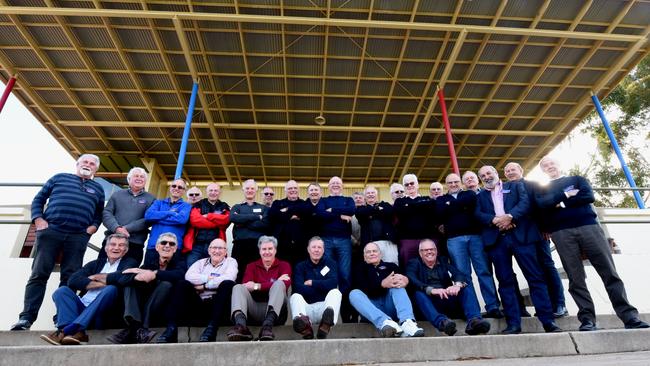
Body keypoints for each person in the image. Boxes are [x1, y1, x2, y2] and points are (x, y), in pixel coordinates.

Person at [536, 155, 649, 331]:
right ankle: (587, 319)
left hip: (589, 227)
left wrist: (559, 204)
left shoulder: (578, 179)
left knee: (609, 273)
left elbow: (588, 197)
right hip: (561, 233)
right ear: (542, 170)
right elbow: (543, 205)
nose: (550, 166)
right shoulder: (542, 189)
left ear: (559, 163)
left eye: (552, 162)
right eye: (545, 165)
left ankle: (629, 317)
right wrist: (566, 195)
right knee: (576, 278)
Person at [12, 154, 105, 331]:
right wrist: (38, 219)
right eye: (85, 162)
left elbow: (99, 213)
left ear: (96, 169)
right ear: (77, 164)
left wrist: (92, 228)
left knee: (70, 278)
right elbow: (39, 199)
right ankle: (26, 319)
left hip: (78, 236)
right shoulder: (59, 178)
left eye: (92, 163)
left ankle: (62, 319)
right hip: (51, 231)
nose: (88, 165)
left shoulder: (98, 189)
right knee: (39, 274)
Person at [475, 165, 561, 334]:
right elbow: (477, 214)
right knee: (506, 283)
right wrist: (495, 220)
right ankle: (514, 324)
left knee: (535, 278)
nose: (486, 176)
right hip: (497, 241)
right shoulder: (479, 196)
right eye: (482, 175)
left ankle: (548, 321)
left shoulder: (514, 186)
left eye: (489, 173)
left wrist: (510, 216)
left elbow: (525, 203)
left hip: (522, 237)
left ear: (496, 173)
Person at [40, 233, 136, 345]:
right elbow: (73, 280)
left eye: (121, 245)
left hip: (102, 314)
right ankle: (78, 333)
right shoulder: (95, 264)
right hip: (82, 308)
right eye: (113, 244)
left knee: (111, 289)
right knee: (61, 291)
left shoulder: (130, 263)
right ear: (106, 248)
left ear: (125, 249)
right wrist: (106, 280)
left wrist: (94, 277)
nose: (116, 248)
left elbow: (122, 280)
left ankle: (65, 331)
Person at [504, 161, 567, 318]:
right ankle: (543, 307)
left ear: (521, 170)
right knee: (532, 272)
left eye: (513, 169)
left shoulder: (533, 185)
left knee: (547, 266)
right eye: (507, 171)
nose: (510, 172)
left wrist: (546, 228)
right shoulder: (504, 189)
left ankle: (559, 304)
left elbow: (544, 206)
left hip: (539, 233)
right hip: (518, 236)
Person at [437, 173, 501, 319]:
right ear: (446, 184)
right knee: (463, 276)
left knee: (483, 271)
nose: (453, 184)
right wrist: (459, 207)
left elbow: (471, 207)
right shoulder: (441, 199)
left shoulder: (470, 194)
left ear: (460, 183)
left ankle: (492, 306)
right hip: (454, 240)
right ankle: (472, 311)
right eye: (450, 182)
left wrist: (452, 207)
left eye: (456, 182)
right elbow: (440, 213)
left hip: (475, 237)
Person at [107, 233, 186, 344]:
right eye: (163, 243)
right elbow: (122, 278)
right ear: (157, 247)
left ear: (175, 249)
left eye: (171, 244)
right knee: (131, 283)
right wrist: (135, 276)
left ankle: (136, 329)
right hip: (143, 307)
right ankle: (136, 327)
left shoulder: (180, 262)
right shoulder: (149, 263)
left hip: (164, 309)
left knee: (166, 284)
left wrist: (155, 274)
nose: (167, 246)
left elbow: (180, 275)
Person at [158, 238, 237, 343]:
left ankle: (211, 329)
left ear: (226, 251)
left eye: (220, 248)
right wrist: (209, 279)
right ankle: (171, 329)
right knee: (182, 284)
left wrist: (204, 286)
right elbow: (189, 276)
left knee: (227, 284)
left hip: (219, 306)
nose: (217, 251)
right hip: (199, 304)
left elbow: (229, 277)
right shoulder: (200, 263)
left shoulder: (231, 262)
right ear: (209, 250)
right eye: (214, 248)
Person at [406, 239, 491, 336]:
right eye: (426, 250)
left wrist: (457, 285)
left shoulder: (442, 261)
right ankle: (442, 323)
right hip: (429, 304)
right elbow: (411, 279)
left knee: (465, 288)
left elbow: (458, 274)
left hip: (446, 299)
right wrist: (431, 290)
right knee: (418, 294)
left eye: (432, 249)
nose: (429, 252)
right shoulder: (414, 263)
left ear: (436, 251)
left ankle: (474, 321)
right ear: (420, 253)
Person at [349, 242, 424, 337]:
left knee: (397, 287)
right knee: (354, 293)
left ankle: (407, 322)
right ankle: (385, 322)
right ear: (364, 256)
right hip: (372, 309)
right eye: (368, 252)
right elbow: (362, 289)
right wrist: (382, 284)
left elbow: (409, 290)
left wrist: (406, 281)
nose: (372, 253)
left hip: (390, 307)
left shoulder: (391, 266)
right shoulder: (359, 269)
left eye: (374, 251)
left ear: (380, 254)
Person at [227, 236, 291, 341]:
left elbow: (285, 284)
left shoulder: (284, 265)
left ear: (275, 250)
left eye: (270, 249)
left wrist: (257, 286)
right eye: (264, 249)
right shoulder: (251, 266)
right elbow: (246, 286)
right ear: (259, 251)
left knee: (279, 285)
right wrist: (272, 283)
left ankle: (267, 327)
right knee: (238, 287)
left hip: (276, 314)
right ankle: (241, 326)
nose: (267, 252)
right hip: (255, 309)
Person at [99, 167, 155, 265]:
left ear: (145, 181)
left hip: (135, 244)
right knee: (101, 271)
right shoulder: (117, 194)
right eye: (136, 176)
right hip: (112, 240)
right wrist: (117, 228)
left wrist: (125, 229)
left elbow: (148, 219)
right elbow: (106, 213)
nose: (139, 178)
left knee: (126, 276)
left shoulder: (151, 199)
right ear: (129, 179)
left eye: (142, 177)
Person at [290, 237, 341, 339]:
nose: (316, 250)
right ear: (308, 249)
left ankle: (326, 325)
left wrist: (313, 283)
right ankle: (305, 328)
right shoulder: (300, 266)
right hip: (307, 310)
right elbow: (298, 288)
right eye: (314, 247)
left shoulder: (331, 264)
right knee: (295, 296)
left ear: (323, 250)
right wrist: (323, 286)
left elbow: (333, 284)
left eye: (319, 247)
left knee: (336, 292)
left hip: (325, 309)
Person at [316, 176, 355, 295]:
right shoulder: (323, 200)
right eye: (332, 183)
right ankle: (328, 298)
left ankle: (344, 303)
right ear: (328, 187)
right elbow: (320, 213)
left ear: (342, 186)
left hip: (344, 241)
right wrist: (340, 215)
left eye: (338, 183)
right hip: (326, 240)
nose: (335, 185)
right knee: (326, 271)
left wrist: (331, 210)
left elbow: (351, 210)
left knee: (345, 273)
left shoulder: (348, 200)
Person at [182, 183, 230, 267]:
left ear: (220, 193)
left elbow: (226, 221)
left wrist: (208, 216)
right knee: (191, 268)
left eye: (216, 190)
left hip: (216, 247)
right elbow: (195, 220)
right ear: (207, 192)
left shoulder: (224, 206)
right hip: (197, 246)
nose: (213, 192)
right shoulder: (198, 204)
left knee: (213, 271)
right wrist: (217, 222)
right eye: (211, 190)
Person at [230, 179, 270, 281]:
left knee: (258, 274)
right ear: (243, 190)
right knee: (238, 274)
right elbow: (233, 218)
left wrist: (242, 221)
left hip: (257, 246)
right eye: (247, 188)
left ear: (256, 190)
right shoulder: (237, 207)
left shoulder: (264, 208)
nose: (250, 190)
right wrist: (256, 217)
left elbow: (265, 224)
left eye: (252, 188)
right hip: (239, 245)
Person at [143, 179, 191, 262]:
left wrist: (158, 218)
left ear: (184, 191)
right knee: (148, 273)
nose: (176, 188)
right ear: (170, 188)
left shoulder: (186, 206)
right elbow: (148, 215)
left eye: (180, 187)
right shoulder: (158, 203)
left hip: (173, 248)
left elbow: (182, 219)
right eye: (174, 186)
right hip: (154, 246)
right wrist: (170, 213)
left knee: (168, 275)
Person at [393, 174, 434, 265]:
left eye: (412, 183)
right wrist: (420, 207)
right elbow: (400, 213)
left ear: (417, 184)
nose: (410, 186)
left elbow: (431, 213)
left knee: (429, 266)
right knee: (408, 267)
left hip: (426, 239)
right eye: (406, 184)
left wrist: (409, 207)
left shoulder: (428, 199)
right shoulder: (399, 202)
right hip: (407, 240)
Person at [355, 185, 398, 265]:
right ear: (364, 196)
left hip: (388, 242)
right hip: (370, 244)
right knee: (372, 268)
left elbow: (389, 212)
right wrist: (378, 210)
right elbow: (361, 214)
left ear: (376, 194)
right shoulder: (361, 209)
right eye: (368, 193)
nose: (370, 194)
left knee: (392, 265)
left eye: (372, 192)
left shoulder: (385, 205)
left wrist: (371, 213)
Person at [268, 180, 306, 266]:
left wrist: (285, 211)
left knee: (299, 272)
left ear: (298, 190)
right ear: (285, 190)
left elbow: (306, 215)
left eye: (295, 188)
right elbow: (272, 215)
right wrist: (291, 216)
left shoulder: (304, 203)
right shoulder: (277, 203)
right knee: (282, 272)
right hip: (281, 245)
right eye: (290, 188)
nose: (293, 190)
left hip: (300, 246)